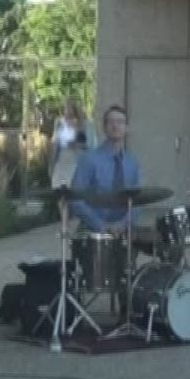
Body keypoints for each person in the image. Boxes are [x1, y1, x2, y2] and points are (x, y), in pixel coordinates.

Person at [69, 105, 142, 316]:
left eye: (120, 121)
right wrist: (102, 226)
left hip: (124, 228)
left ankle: (133, 310)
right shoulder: (89, 159)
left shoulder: (132, 162)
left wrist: (122, 225)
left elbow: (139, 201)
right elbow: (76, 199)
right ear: (104, 127)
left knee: (167, 245)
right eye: (111, 121)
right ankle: (78, 310)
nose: (115, 125)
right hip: (94, 228)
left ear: (126, 128)